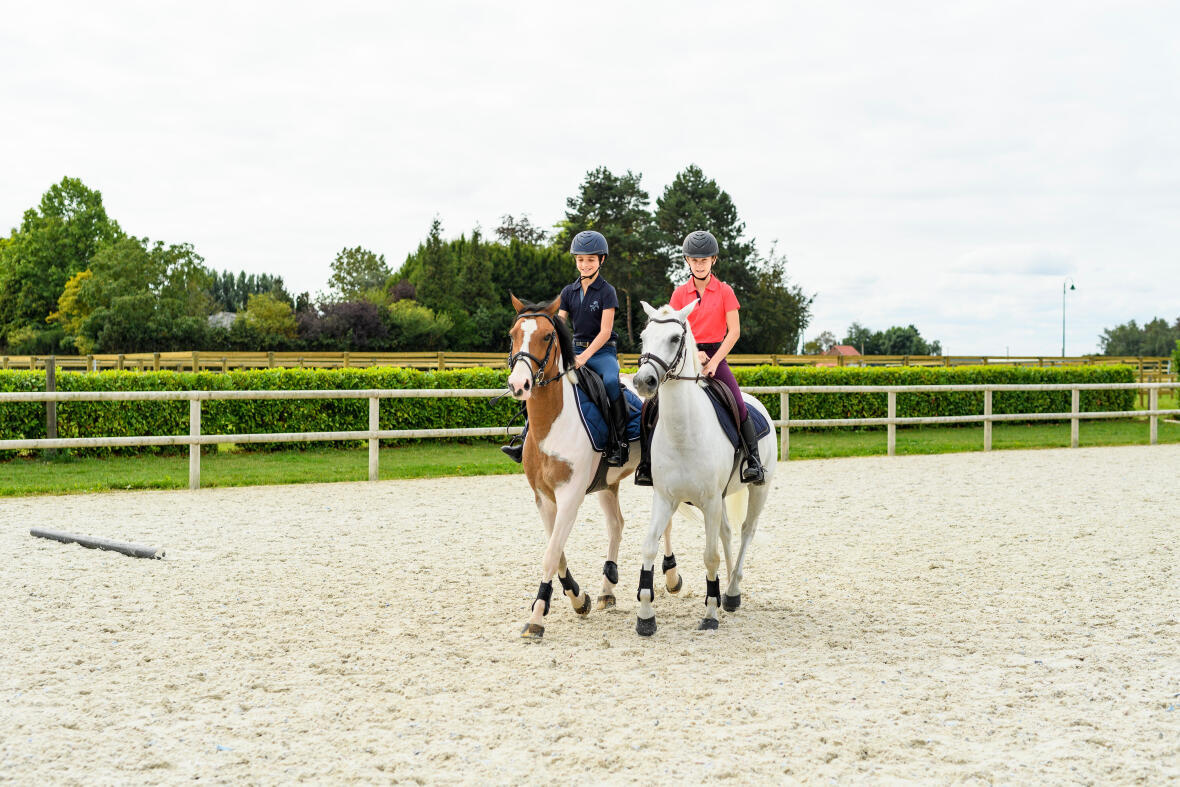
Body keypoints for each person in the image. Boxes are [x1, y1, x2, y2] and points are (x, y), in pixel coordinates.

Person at [634, 230, 766, 486]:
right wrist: (695, 354)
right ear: (687, 261)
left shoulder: (725, 291)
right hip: (685, 356)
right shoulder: (679, 294)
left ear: (713, 260)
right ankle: (647, 465)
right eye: (694, 260)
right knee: (649, 407)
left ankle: (754, 462)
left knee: (738, 404)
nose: (699, 264)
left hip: (717, 355)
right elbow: (673, 330)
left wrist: (715, 361)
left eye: (704, 260)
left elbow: (735, 331)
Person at [501, 230, 630, 466]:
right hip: (574, 349)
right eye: (580, 259)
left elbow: (605, 332)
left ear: (601, 260)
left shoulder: (607, 291)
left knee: (611, 382)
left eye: (590, 259)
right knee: (537, 380)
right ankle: (524, 439)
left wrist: (585, 357)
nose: (585, 264)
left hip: (601, 352)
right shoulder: (568, 292)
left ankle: (619, 442)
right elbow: (559, 324)